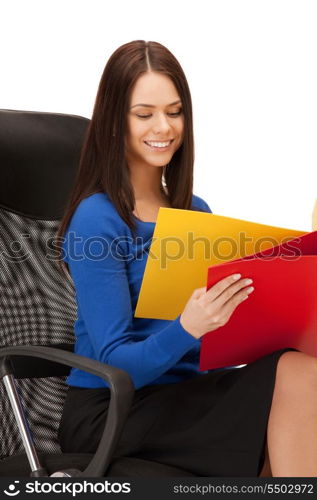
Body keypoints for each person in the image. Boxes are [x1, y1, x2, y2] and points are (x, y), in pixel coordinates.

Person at [56, 40, 317, 477]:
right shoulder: (97, 219)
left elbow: (220, 344)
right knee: (293, 382)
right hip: (114, 410)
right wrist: (189, 326)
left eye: (174, 112)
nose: (164, 127)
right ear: (114, 121)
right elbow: (116, 365)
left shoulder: (195, 213)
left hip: (187, 397)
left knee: (298, 373)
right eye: (144, 114)